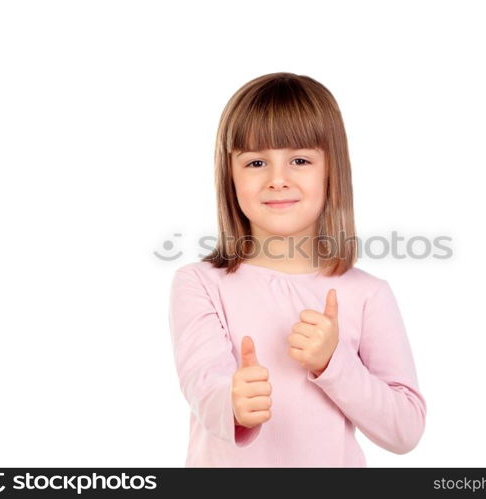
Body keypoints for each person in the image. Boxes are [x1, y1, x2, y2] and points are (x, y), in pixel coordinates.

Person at [168, 72, 427, 467]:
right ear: (230, 176)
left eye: (300, 160)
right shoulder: (200, 284)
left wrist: (332, 363)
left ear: (330, 171)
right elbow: (202, 383)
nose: (277, 180)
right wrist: (233, 402)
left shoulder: (368, 294)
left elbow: (405, 429)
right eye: (256, 162)